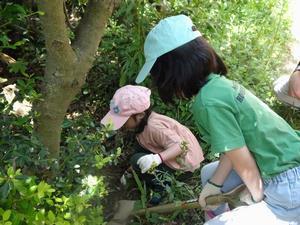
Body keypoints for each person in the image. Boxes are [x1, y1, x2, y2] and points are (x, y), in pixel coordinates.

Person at [135, 14, 300, 224]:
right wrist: (215, 185)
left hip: (289, 183)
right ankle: (220, 210)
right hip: (285, 159)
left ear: (171, 72)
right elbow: (235, 147)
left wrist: (256, 197)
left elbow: (245, 163)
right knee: (209, 173)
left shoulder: (207, 103)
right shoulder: (219, 85)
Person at [101, 85, 204, 204]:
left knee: (136, 159)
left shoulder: (153, 127)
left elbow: (180, 145)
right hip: (173, 155)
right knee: (139, 149)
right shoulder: (143, 125)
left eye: (124, 120)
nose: (122, 124)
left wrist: (157, 159)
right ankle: (137, 172)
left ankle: (163, 187)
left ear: (139, 115)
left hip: (184, 166)